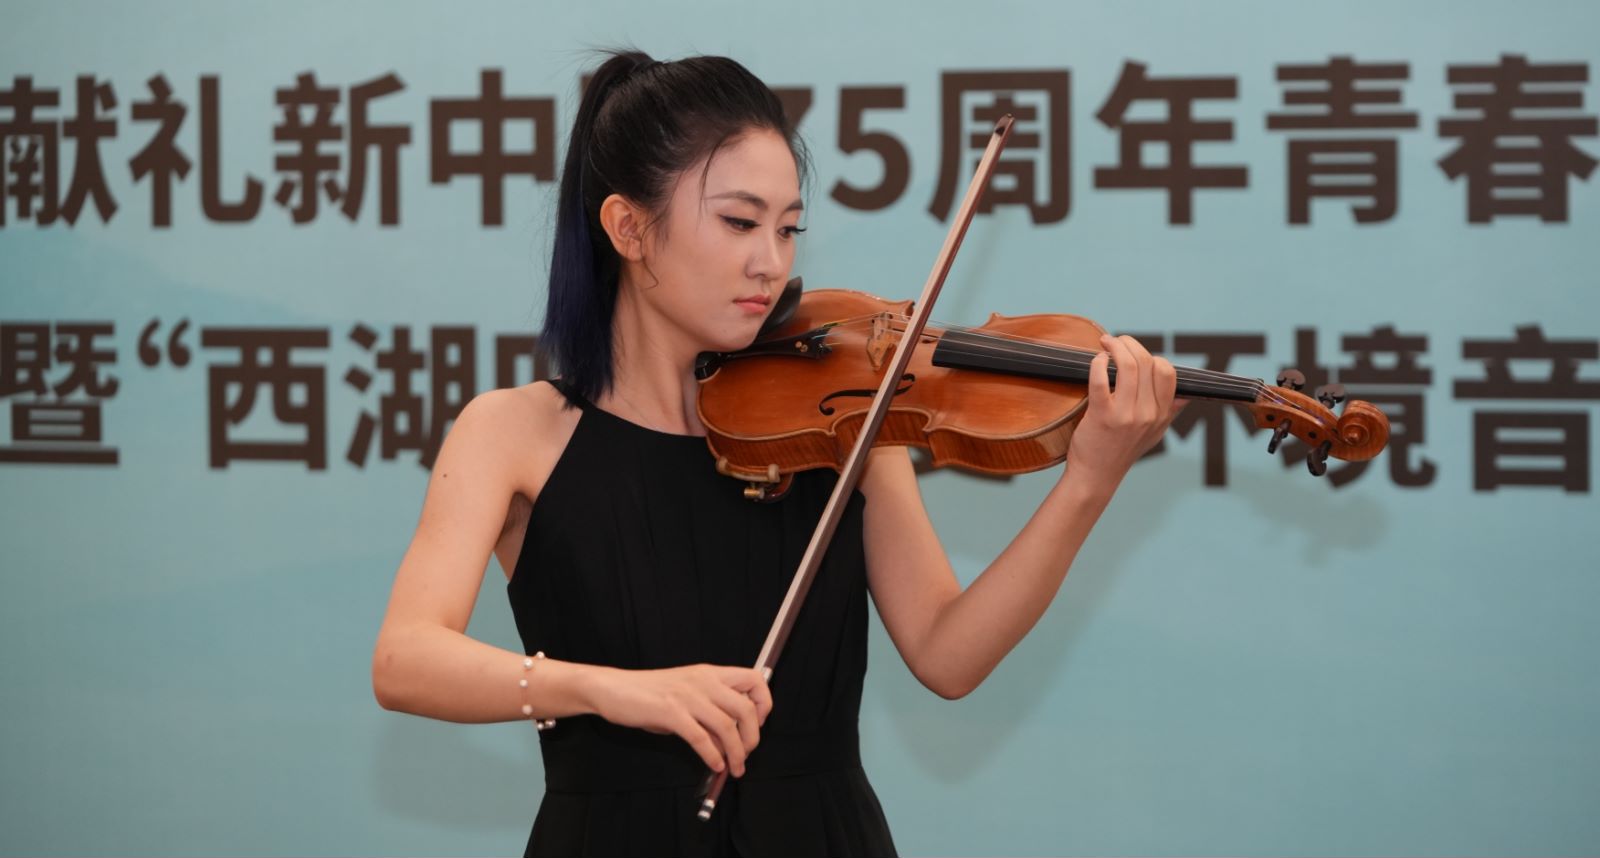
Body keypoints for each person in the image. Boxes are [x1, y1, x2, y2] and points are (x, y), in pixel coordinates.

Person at [370, 50, 1185, 857]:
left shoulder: (842, 422)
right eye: (739, 222)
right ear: (628, 227)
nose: (772, 263)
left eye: (789, 229)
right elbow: (405, 658)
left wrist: (1088, 482)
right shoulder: (513, 431)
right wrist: (608, 691)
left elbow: (949, 654)